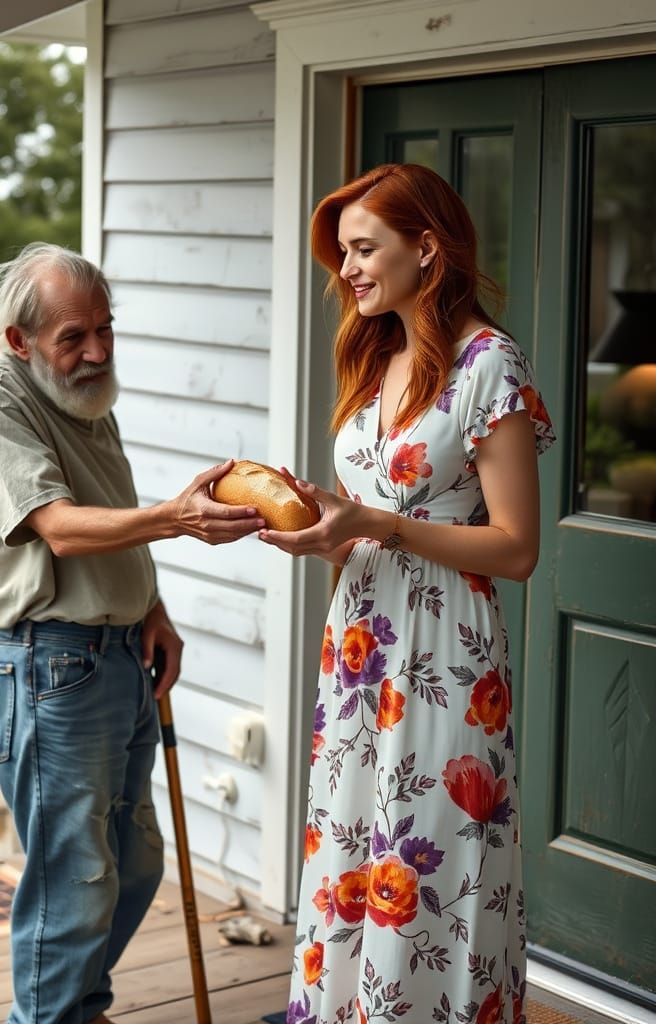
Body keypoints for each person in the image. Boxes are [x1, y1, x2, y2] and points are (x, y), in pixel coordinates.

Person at [259, 164, 555, 1024]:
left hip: (445, 650)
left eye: (363, 248)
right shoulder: (378, 350)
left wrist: (378, 525)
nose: (346, 269)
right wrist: (323, 526)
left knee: (427, 858)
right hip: (360, 643)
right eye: (342, 252)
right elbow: (366, 512)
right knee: (354, 841)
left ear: (426, 247)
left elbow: (518, 547)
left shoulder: (489, 365)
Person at [0, 242, 265, 1024]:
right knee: (75, 878)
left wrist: (153, 607)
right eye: (74, 337)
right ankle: (54, 1015)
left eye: (105, 329)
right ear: (20, 341)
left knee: (134, 865)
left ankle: (74, 1006)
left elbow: (111, 513)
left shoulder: (86, 394)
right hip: (53, 663)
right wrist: (178, 517)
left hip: (123, 650)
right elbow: (60, 528)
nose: (96, 351)